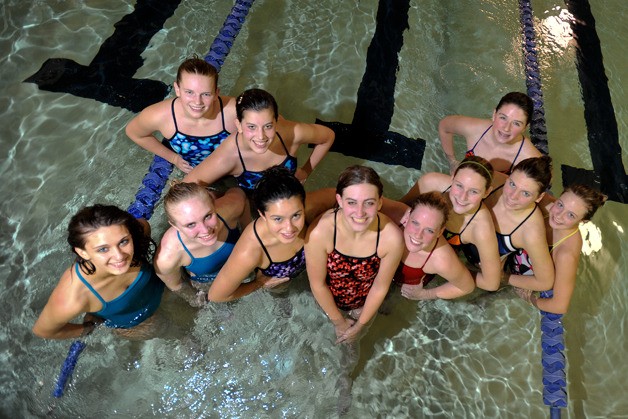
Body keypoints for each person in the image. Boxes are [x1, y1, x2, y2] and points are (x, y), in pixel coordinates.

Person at [32, 205, 164, 339]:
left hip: (165, 288)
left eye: (123, 241)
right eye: (103, 249)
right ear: (82, 252)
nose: (119, 256)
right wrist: (89, 328)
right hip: (139, 325)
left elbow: (143, 225)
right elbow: (43, 330)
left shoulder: (138, 234)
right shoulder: (74, 297)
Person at [305, 165, 404, 344]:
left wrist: (360, 326)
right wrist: (338, 321)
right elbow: (318, 284)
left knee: (353, 347)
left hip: (364, 304)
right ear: (339, 200)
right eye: (351, 202)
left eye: (369, 203)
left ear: (380, 202)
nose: (360, 212)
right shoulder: (321, 232)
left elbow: (380, 288)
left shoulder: (391, 238)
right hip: (327, 300)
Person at [207, 167, 324, 302]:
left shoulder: (312, 206)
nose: (289, 228)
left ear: (303, 206)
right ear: (262, 214)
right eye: (278, 219)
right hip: (282, 288)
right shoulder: (252, 250)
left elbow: (340, 200)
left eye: (296, 215)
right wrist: (259, 283)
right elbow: (216, 295)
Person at [183, 88, 335, 192]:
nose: (261, 136)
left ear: (276, 121)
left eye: (268, 126)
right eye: (251, 127)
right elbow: (183, 189)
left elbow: (328, 136)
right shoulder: (229, 156)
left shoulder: (291, 133)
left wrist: (306, 171)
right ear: (239, 125)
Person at [396, 156, 502, 291]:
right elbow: (399, 207)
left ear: (487, 192)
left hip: (427, 267)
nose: (462, 197)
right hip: (402, 247)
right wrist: (407, 212)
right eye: (459, 185)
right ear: (452, 178)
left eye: (473, 191)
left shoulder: (481, 228)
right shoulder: (431, 184)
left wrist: (454, 273)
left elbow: (491, 284)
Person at [126, 56, 237, 173]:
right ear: (177, 89)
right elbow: (134, 133)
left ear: (216, 93)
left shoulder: (233, 111)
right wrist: (173, 158)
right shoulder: (161, 116)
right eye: (189, 92)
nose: (197, 102)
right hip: (197, 174)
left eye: (206, 94)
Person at [507, 184, 606, 314]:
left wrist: (529, 298)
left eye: (571, 215)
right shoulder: (547, 205)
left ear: (583, 221)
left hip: (520, 282)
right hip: (506, 258)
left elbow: (558, 306)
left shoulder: (566, 254)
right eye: (560, 205)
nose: (558, 215)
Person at [153, 182, 246, 306]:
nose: (205, 230)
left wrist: (248, 232)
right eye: (191, 224)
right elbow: (177, 286)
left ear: (214, 204)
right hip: (209, 284)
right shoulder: (167, 258)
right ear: (175, 226)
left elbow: (239, 194)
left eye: (208, 216)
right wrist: (200, 302)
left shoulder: (231, 208)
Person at [476, 156, 555, 291]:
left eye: (525, 193)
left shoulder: (530, 231)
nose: (512, 196)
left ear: (539, 198)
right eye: (512, 184)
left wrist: (502, 277)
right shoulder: (492, 181)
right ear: (508, 177)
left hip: (480, 270)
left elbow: (545, 282)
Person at [394, 192, 475, 300]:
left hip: (404, 289)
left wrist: (426, 294)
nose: (418, 235)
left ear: (440, 232)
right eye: (415, 223)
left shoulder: (440, 260)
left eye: (429, 230)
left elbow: (467, 287)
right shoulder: (396, 216)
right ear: (408, 216)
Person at [439, 91, 541, 175]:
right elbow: (444, 126)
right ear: (494, 114)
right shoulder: (475, 130)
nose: (506, 128)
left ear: (524, 128)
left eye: (516, 123)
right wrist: (452, 161)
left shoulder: (527, 155)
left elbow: (546, 178)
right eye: (503, 118)